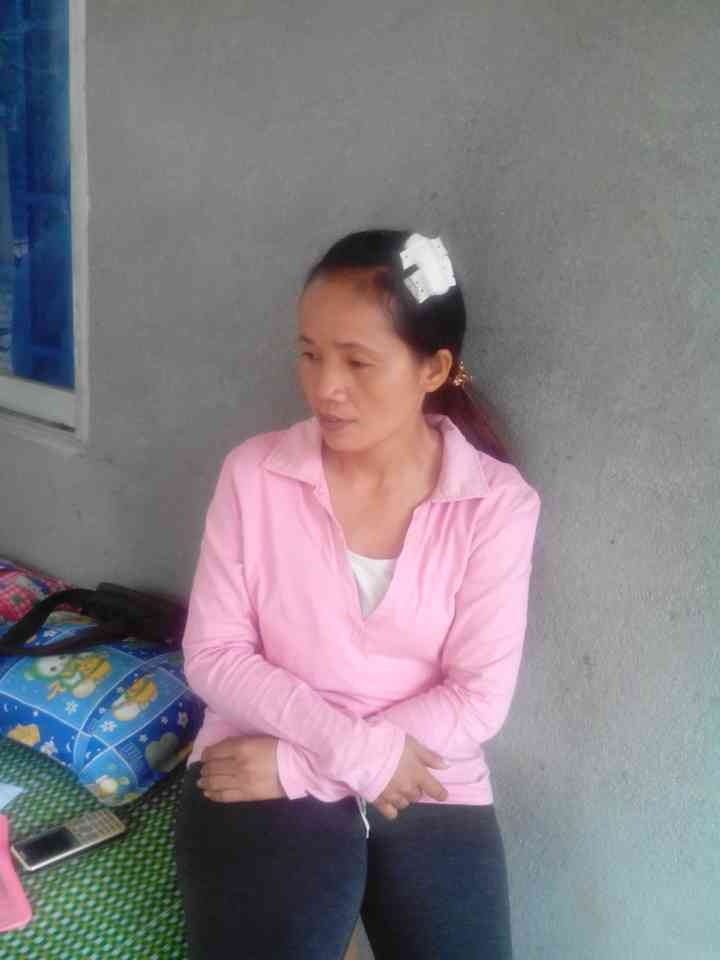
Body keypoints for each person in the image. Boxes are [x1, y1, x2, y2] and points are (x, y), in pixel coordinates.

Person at [173, 229, 542, 960]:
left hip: (420, 768)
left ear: (434, 368)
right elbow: (214, 654)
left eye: (357, 361)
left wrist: (307, 764)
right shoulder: (255, 475)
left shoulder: (497, 505)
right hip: (250, 756)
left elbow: (477, 698)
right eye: (309, 354)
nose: (324, 387)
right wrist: (353, 754)